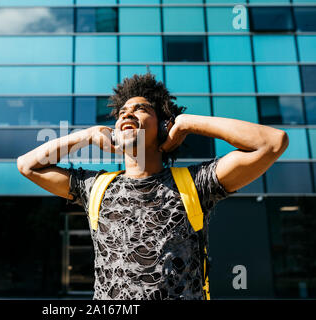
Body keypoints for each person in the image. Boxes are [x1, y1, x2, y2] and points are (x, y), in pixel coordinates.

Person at [16, 73, 288, 300]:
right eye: (122, 112)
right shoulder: (96, 187)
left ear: (162, 126)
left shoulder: (194, 183)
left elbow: (273, 142)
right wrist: (86, 135)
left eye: (140, 109)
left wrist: (185, 123)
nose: (127, 114)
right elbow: (27, 165)